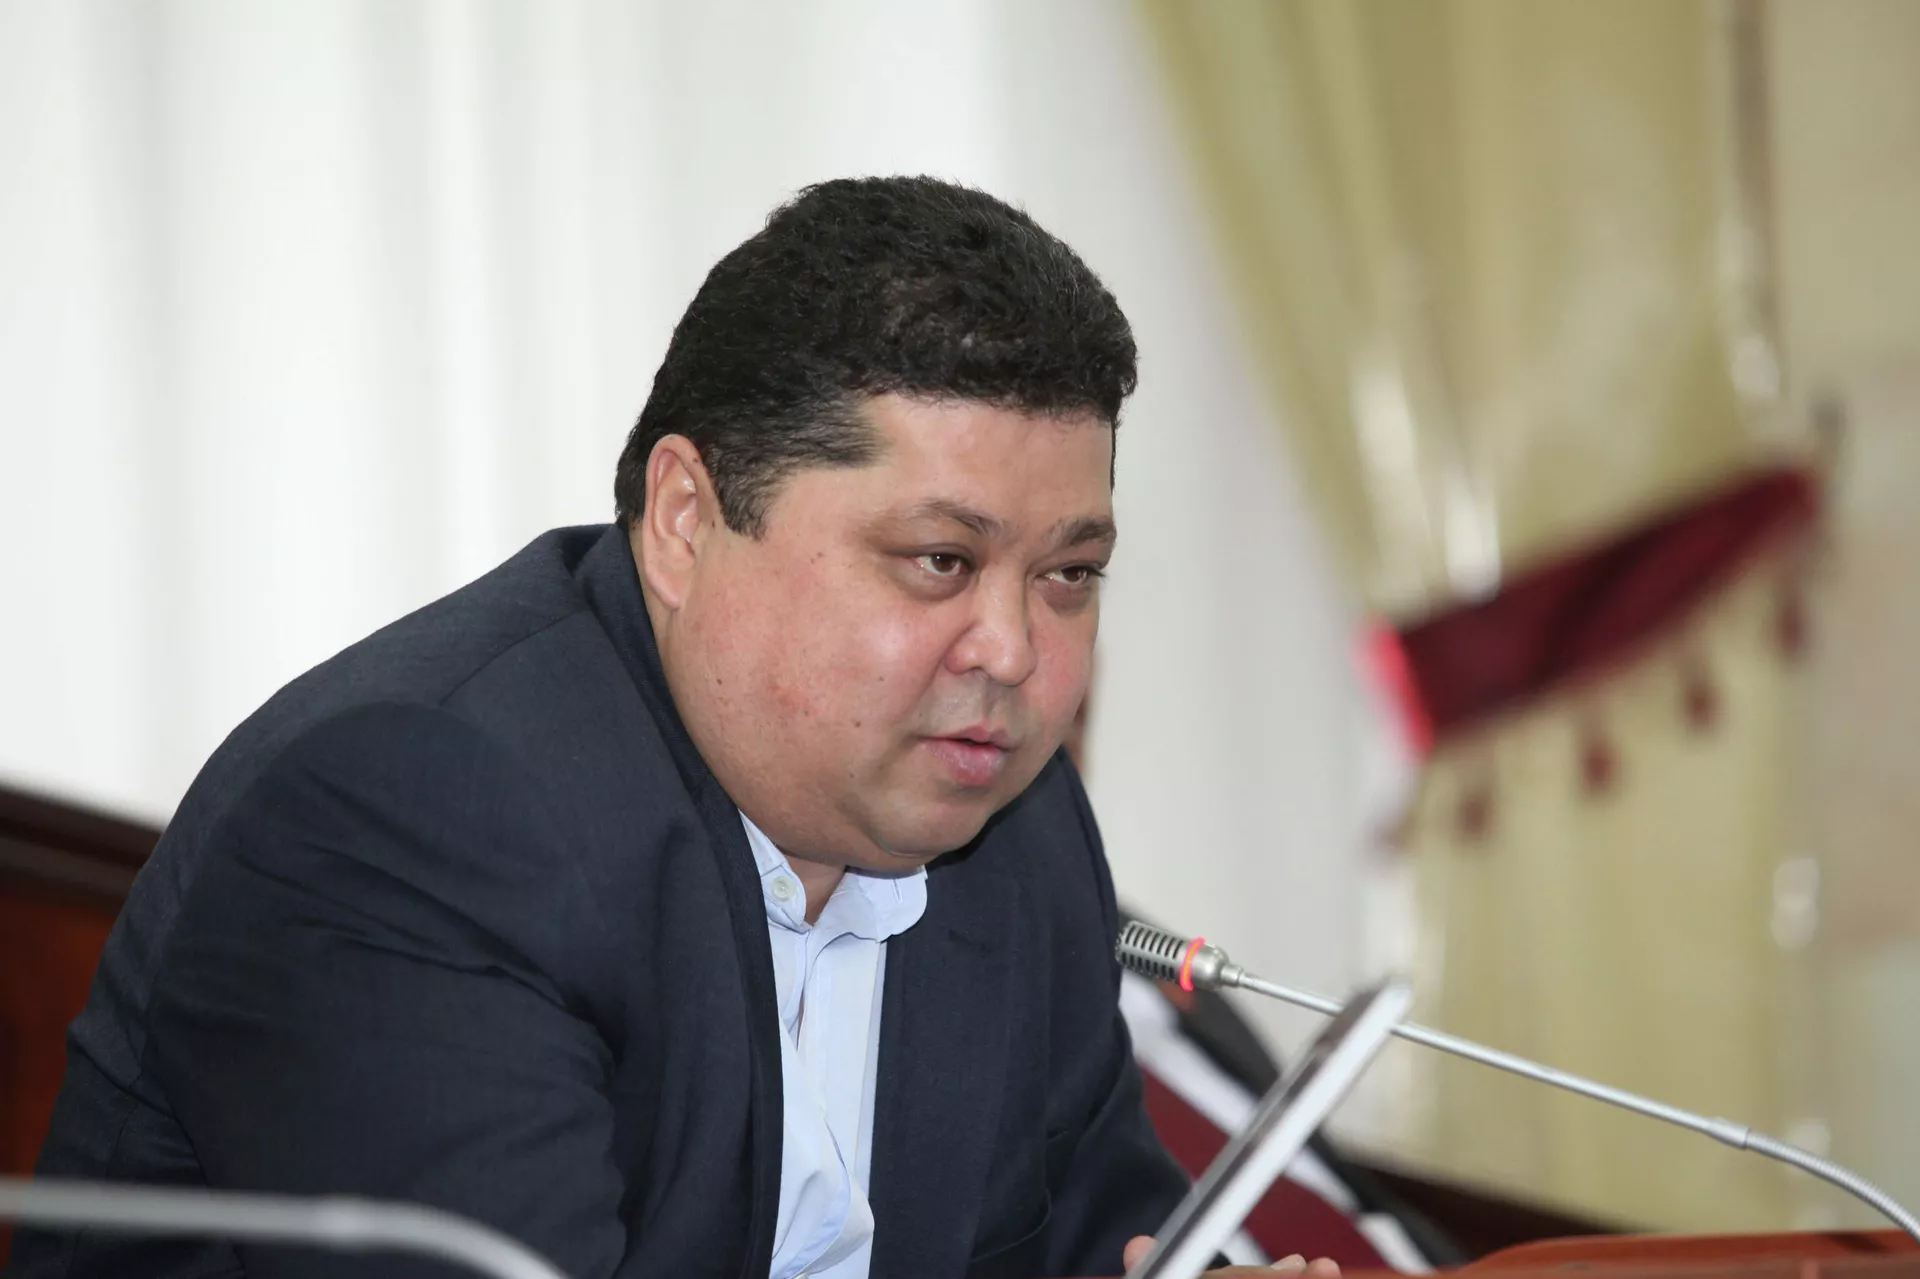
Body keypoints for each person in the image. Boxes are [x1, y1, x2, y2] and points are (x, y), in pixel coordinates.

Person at [9, 177, 1325, 1279]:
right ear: (687, 521)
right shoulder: (414, 817)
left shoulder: (1013, 829)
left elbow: (1100, 1241)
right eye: (939, 560)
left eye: (1070, 575)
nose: (1014, 653)